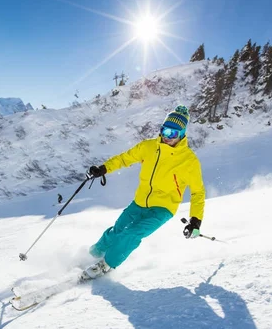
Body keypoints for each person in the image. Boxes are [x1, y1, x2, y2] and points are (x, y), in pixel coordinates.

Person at [81, 105, 206, 280]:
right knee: (117, 231)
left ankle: (106, 265)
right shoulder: (148, 147)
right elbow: (125, 158)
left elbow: (197, 193)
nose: (167, 137)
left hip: (163, 208)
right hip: (139, 202)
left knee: (132, 233)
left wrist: (195, 220)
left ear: (182, 134)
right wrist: (103, 169)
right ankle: (93, 253)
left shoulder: (189, 161)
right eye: (165, 131)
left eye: (173, 133)